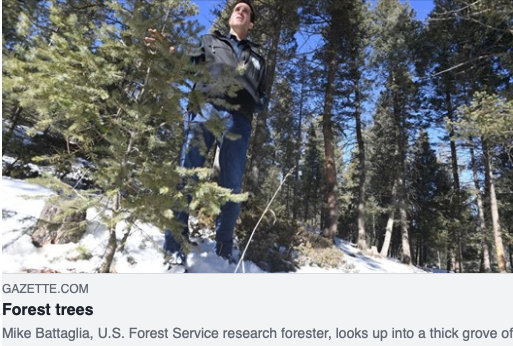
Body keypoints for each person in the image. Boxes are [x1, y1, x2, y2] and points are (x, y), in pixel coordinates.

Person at [145, 0, 266, 266]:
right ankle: (174, 245)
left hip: (238, 120)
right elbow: (187, 62)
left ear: (251, 23)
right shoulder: (211, 41)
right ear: (231, 17)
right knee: (187, 174)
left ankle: (223, 250)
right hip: (204, 109)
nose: (241, 11)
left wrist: (254, 103)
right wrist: (169, 51)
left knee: (232, 186)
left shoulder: (257, 56)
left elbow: (262, 93)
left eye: (246, 11)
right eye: (237, 8)